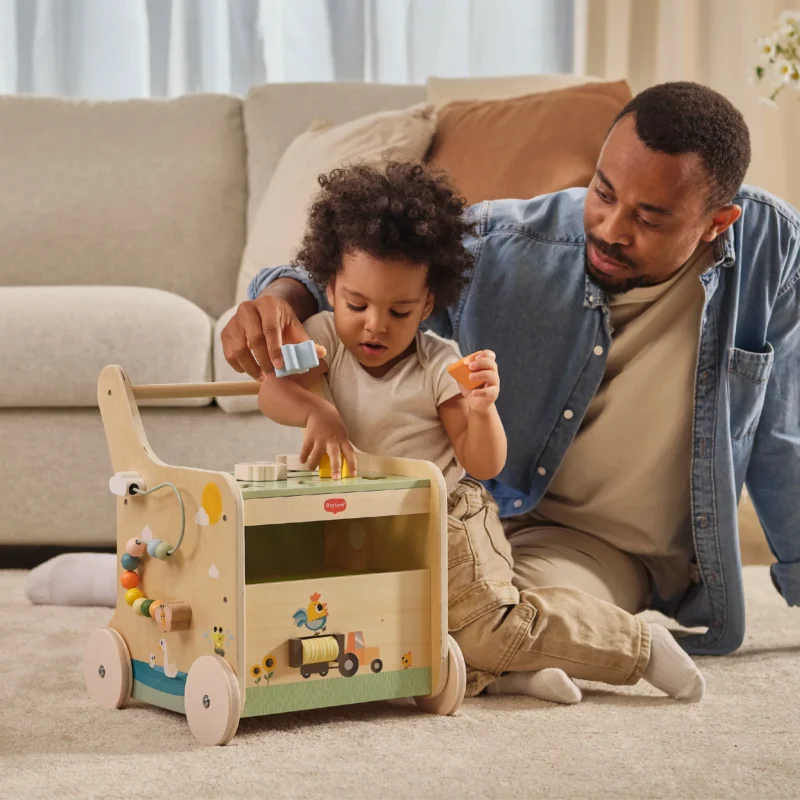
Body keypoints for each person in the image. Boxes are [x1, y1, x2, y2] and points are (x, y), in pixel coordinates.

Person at [221, 82, 800, 703]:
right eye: (603, 192)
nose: (610, 227)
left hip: (634, 548)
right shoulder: (515, 243)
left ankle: (604, 651)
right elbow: (366, 265)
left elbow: (783, 435)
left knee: (455, 619)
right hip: (522, 529)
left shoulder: (772, 248)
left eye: (649, 218)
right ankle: (520, 669)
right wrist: (278, 299)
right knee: (403, 621)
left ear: (716, 222)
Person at [252, 160, 705, 703]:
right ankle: (510, 676)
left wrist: (482, 408)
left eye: (399, 311)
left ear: (427, 304)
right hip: (361, 524)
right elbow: (272, 390)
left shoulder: (438, 365)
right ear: (330, 288)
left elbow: (484, 464)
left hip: (444, 518)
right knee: (390, 643)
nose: (374, 324)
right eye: (357, 304)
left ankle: (637, 646)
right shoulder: (322, 339)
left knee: (488, 626)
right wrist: (315, 412)